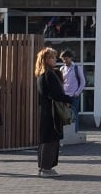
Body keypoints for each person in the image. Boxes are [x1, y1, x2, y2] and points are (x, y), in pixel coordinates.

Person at [35, 47, 71, 177]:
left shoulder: (41, 75)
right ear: (46, 59)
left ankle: (43, 167)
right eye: (52, 57)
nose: (55, 59)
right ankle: (46, 168)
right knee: (51, 138)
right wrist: (68, 99)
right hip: (51, 111)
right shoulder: (49, 74)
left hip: (46, 110)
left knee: (45, 139)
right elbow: (55, 94)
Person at [59, 50, 85, 132]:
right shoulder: (62, 68)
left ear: (70, 58)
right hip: (64, 96)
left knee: (74, 115)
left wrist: (77, 93)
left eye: (66, 59)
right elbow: (61, 82)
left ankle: (75, 133)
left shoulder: (77, 68)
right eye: (63, 59)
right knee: (64, 115)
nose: (64, 61)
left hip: (73, 96)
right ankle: (65, 134)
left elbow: (83, 82)